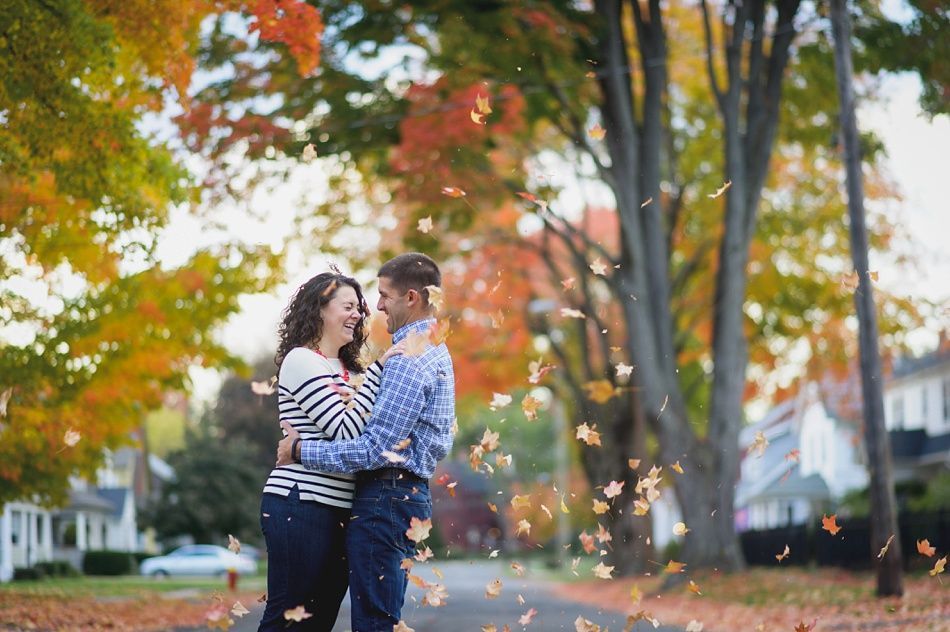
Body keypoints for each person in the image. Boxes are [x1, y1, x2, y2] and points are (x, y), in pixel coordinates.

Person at [277, 252, 456, 632]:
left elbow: (373, 449)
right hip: (397, 497)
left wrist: (298, 450)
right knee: (375, 618)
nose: (376, 306)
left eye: (384, 296)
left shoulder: (408, 358)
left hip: (386, 498)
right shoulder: (433, 348)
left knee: (374, 622)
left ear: (411, 297)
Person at [258, 272, 404, 632]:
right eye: (347, 306)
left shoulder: (350, 371)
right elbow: (346, 431)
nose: (357, 314)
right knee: (288, 620)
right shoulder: (303, 361)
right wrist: (378, 373)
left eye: (360, 307)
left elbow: (371, 438)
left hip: (343, 511)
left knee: (319, 622)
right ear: (320, 309)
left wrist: (358, 392)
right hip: (300, 504)